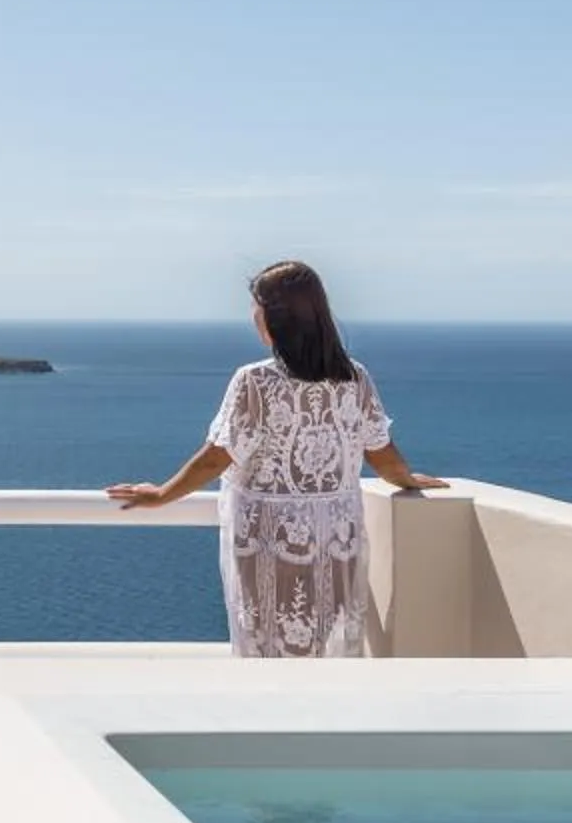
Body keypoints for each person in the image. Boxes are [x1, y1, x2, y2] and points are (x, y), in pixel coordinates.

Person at [109, 260, 444, 658]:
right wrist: (407, 479)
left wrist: (162, 494)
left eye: (256, 306)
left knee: (265, 642)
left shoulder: (256, 381)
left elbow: (216, 457)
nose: (253, 316)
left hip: (269, 536)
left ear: (273, 317)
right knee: (323, 642)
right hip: (336, 536)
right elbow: (382, 454)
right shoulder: (354, 377)